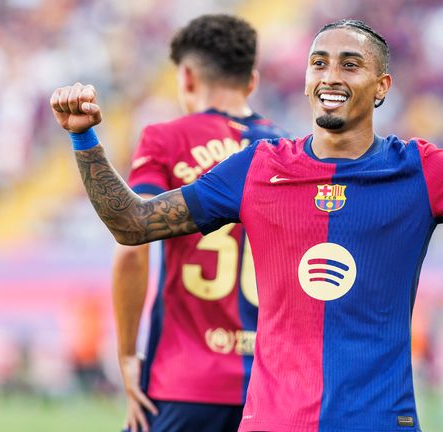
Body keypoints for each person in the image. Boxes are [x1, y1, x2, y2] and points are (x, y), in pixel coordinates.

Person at [50, 18, 443, 432]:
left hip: (378, 422)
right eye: (319, 62)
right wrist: (84, 138)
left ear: (382, 86)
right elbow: (133, 223)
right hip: (272, 421)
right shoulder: (258, 167)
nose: (330, 75)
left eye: (349, 63)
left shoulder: (423, 170)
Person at [109, 14, 287, 432]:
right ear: (252, 81)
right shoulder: (289, 151)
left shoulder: (166, 139)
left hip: (183, 382)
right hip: (269, 388)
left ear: (186, 77)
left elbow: (132, 249)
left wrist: (128, 355)